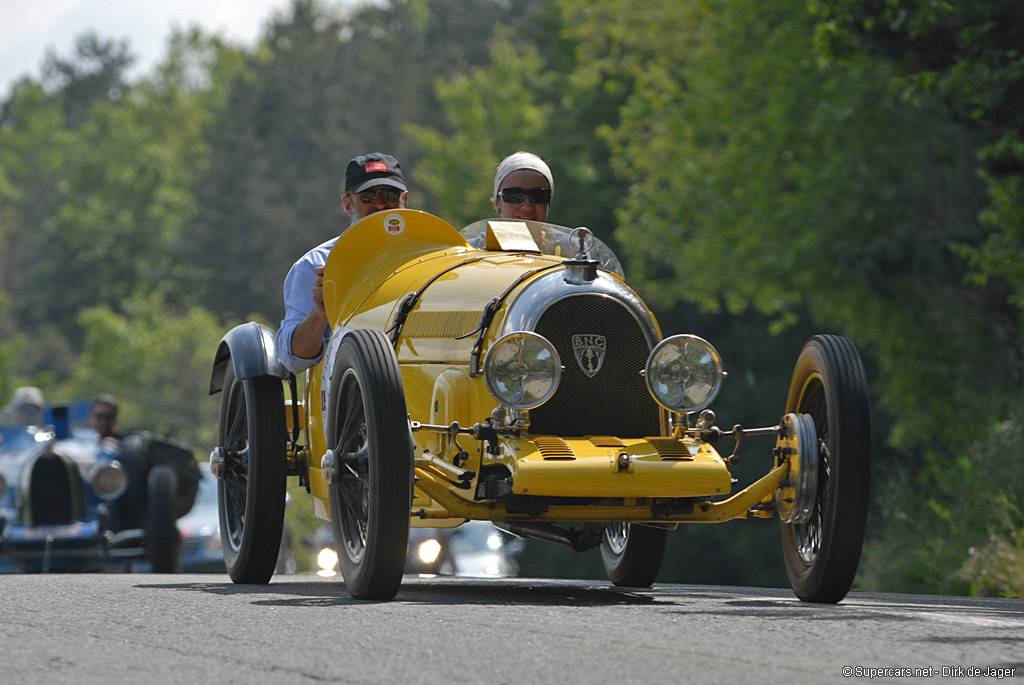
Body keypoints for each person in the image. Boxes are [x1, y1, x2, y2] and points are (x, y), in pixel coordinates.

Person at [275, 152, 409, 375]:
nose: (381, 204)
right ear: (348, 204)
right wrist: (322, 311)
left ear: (404, 199)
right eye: (368, 196)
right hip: (345, 392)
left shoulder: (433, 256)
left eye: (390, 194)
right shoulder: (315, 265)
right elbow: (294, 360)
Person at [492, 151, 554, 222]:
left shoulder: (565, 233)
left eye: (538, 196)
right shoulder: (477, 232)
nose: (527, 207)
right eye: (515, 196)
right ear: (497, 201)